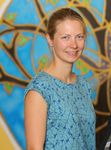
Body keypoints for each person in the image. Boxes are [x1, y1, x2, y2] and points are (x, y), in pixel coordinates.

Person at [24, 8, 96, 149]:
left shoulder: (83, 85)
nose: (74, 45)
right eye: (65, 37)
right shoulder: (40, 89)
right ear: (50, 39)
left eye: (79, 37)